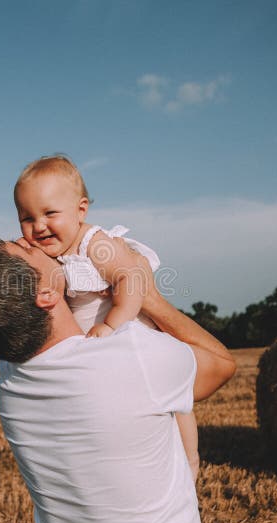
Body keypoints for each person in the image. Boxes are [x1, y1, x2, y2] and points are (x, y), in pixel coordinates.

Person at [0, 236, 236, 523]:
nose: (26, 237)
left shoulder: (10, 379)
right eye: (26, 249)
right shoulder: (128, 356)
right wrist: (147, 296)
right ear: (45, 294)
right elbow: (221, 365)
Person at [13, 154, 201, 480]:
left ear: (81, 210)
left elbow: (132, 278)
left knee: (174, 405)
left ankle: (191, 461)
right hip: (97, 349)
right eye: (26, 218)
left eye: (49, 213)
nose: (38, 226)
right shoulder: (49, 250)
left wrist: (112, 323)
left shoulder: (95, 244)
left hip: (129, 333)